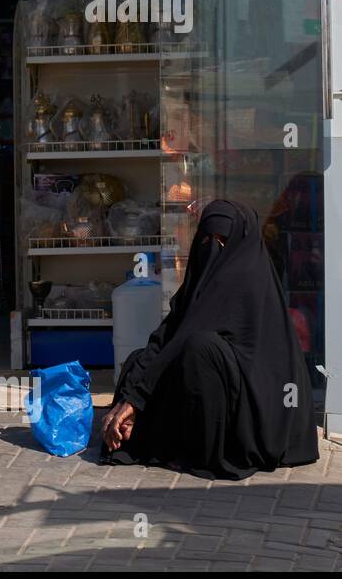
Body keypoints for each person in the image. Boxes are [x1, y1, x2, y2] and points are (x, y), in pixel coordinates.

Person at [101, 199, 319, 479]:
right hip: (224, 383)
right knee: (138, 360)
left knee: (200, 350)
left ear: (240, 241)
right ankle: (132, 430)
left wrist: (136, 400)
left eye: (222, 241)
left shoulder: (247, 277)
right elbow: (167, 337)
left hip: (258, 407)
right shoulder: (200, 281)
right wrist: (132, 396)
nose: (213, 248)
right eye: (207, 239)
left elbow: (188, 338)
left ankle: (202, 451)